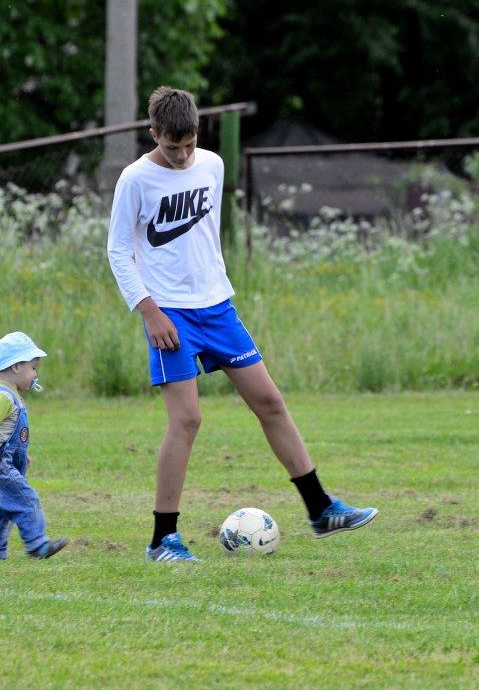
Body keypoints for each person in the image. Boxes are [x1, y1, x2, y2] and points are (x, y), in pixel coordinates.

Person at [107, 86, 378, 562]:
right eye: (173, 146)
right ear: (153, 134)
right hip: (169, 314)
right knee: (187, 419)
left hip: (218, 309)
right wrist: (148, 311)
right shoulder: (135, 179)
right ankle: (162, 539)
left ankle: (321, 509)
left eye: (189, 143)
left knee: (270, 400)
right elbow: (117, 250)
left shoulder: (212, 164)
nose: (183, 154)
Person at [0, 331, 68, 560]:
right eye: (33, 368)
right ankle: (37, 544)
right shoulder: (3, 397)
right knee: (25, 499)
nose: (35, 374)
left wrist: (21, 454)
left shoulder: (7, 395)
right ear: (16, 367)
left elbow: (5, 434)